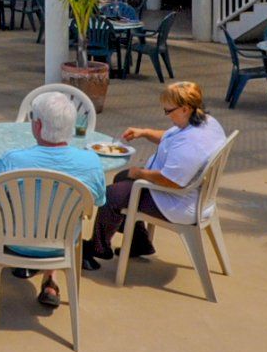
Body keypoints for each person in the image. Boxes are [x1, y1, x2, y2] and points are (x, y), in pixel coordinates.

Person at [0, 90, 105, 310]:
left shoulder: (14, 160)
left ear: (37, 126)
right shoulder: (91, 162)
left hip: (13, 241)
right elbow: (95, 202)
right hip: (62, 244)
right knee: (61, 212)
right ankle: (51, 281)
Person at [94, 81, 230, 262]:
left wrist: (140, 174)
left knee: (112, 195)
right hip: (193, 193)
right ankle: (139, 241)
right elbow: (170, 136)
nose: (167, 115)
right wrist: (144, 132)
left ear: (185, 109)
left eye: (169, 111)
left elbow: (171, 180)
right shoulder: (206, 122)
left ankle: (98, 248)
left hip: (176, 199)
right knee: (121, 177)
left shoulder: (192, 143)